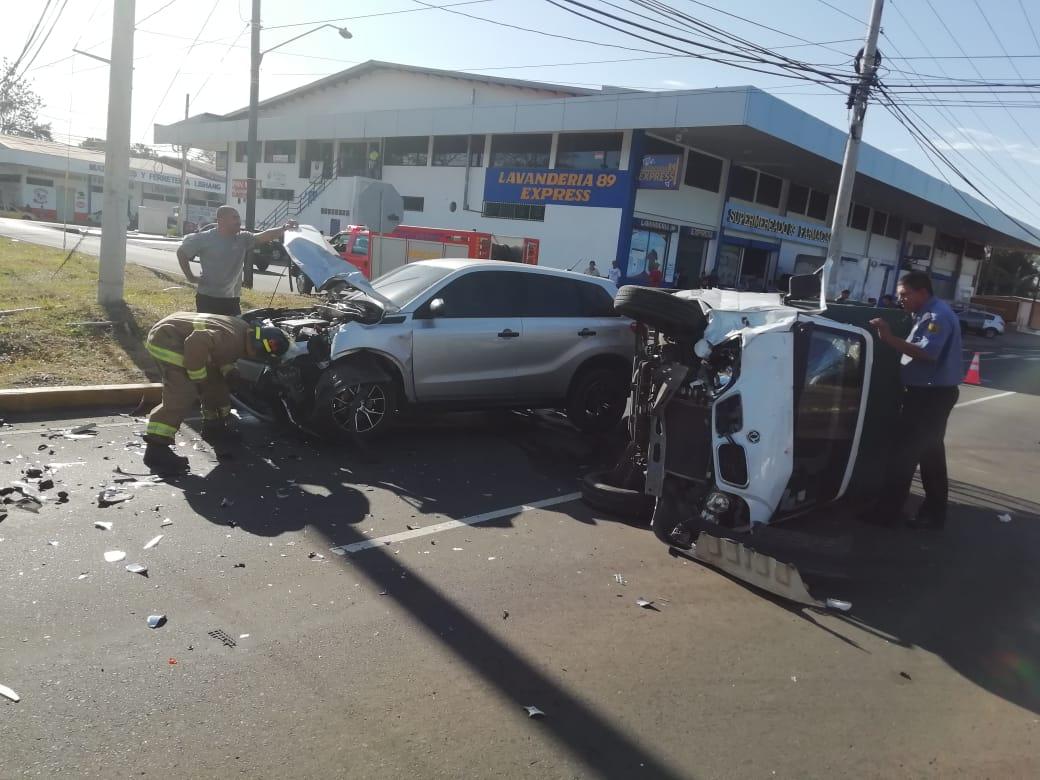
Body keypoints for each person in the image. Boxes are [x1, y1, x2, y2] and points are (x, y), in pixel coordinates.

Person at [867, 271, 963, 529]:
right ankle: (932, 515)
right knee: (930, 455)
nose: (901, 299)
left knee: (905, 453)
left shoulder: (936, 316)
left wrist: (888, 338)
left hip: (929, 397)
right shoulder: (925, 313)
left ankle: (887, 513)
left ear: (922, 292)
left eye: (905, 294)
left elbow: (928, 353)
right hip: (930, 395)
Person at [142, 312, 290, 475]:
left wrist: (229, 370)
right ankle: (156, 449)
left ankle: (214, 426)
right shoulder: (232, 340)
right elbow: (197, 341)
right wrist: (198, 377)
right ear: (258, 347)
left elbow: (220, 351)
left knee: (217, 384)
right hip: (168, 340)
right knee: (183, 393)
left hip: (187, 338)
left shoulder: (244, 330)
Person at [177, 205, 296, 316]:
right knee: (211, 331)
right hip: (208, 298)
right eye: (234, 218)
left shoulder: (242, 238)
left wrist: (285, 228)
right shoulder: (204, 238)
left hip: (232, 299)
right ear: (221, 220)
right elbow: (181, 252)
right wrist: (190, 277)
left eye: (238, 217)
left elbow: (265, 236)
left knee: (235, 330)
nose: (238, 221)